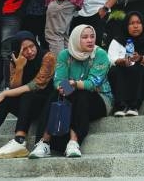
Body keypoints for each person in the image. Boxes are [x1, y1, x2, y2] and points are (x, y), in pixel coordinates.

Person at [0, 31, 56, 160]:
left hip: (44, 105)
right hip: (26, 107)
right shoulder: (14, 60)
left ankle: (19, 141)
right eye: (24, 49)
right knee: (7, 99)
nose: (30, 51)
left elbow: (36, 85)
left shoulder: (48, 57)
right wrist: (19, 68)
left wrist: (3, 92)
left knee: (25, 94)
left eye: (32, 46)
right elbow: (15, 87)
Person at [29, 24, 111, 159]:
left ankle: (73, 142)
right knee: (57, 93)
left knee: (81, 93)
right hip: (72, 94)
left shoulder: (100, 54)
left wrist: (73, 84)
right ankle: (44, 142)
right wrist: (62, 88)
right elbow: (58, 81)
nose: (90, 40)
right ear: (75, 39)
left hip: (100, 98)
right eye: (84, 37)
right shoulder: (64, 55)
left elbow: (92, 83)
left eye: (92, 37)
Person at [107, 11, 144, 116]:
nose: (135, 26)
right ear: (126, 26)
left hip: (143, 82)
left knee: (142, 70)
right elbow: (110, 58)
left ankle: (134, 106)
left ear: (142, 24)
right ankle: (120, 106)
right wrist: (121, 61)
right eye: (131, 23)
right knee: (114, 71)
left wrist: (140, 58)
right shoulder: (118, 40)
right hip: (123, 78)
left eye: (138, 23)